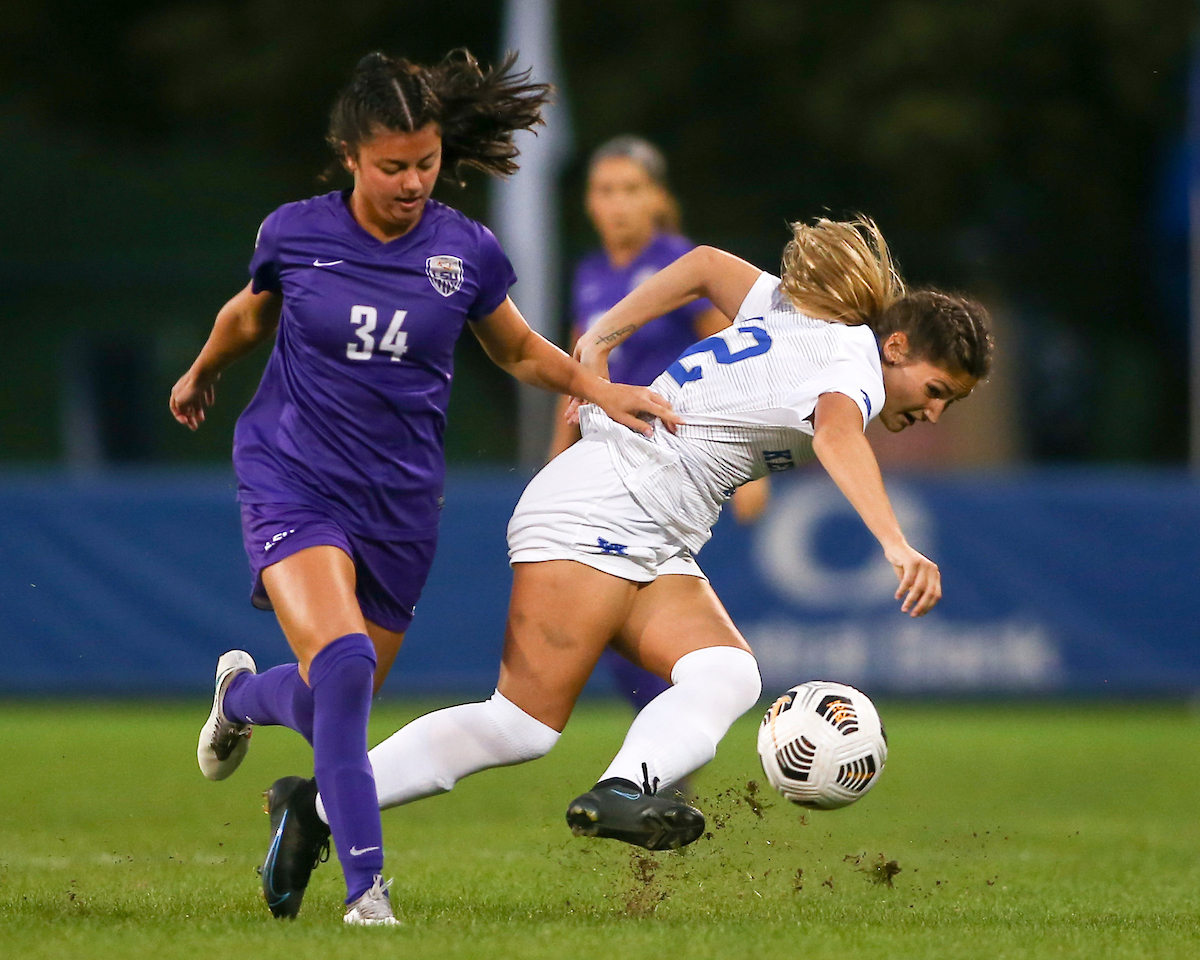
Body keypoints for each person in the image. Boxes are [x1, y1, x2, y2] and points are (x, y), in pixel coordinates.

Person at [266, 215, 993, 905]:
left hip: (646, 521)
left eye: (948, 406)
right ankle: (322, 805)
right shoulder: (855, 363)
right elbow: (836, 434)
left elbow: (706, 267)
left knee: (727, 671)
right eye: (935, 393)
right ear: (896, 348)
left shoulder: (802, 319)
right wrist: (896, 544)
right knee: (521, 724)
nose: (931, 413)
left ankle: (618, 788)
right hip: (605, 505)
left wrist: (604, 335)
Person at [170, 49, 676, 926]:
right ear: (349, 157)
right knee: (347, 663)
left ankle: (241, 697)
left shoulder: (464, 250)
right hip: (292, 473)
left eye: (426, 163)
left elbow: (518, 349)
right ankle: (367, 891)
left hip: (400, 502)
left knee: (340, 688)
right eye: (392, 166)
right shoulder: (295, 233)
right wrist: (203, 369)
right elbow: (250, 313)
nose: (412, 182)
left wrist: (602, 388)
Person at [550, 134, 770, 717]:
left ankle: (667, 758)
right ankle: (670, 752)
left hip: (664, 462)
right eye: (605, 191)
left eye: (630, 189)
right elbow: (580, 369)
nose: (617, 203)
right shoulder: (590, 272)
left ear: (655, 197)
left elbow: (734, 354)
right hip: (602, 461)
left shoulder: (678, 263)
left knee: (615, 608)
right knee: (604, 617)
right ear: (589, 203)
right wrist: (554, 461)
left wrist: (751, 469)